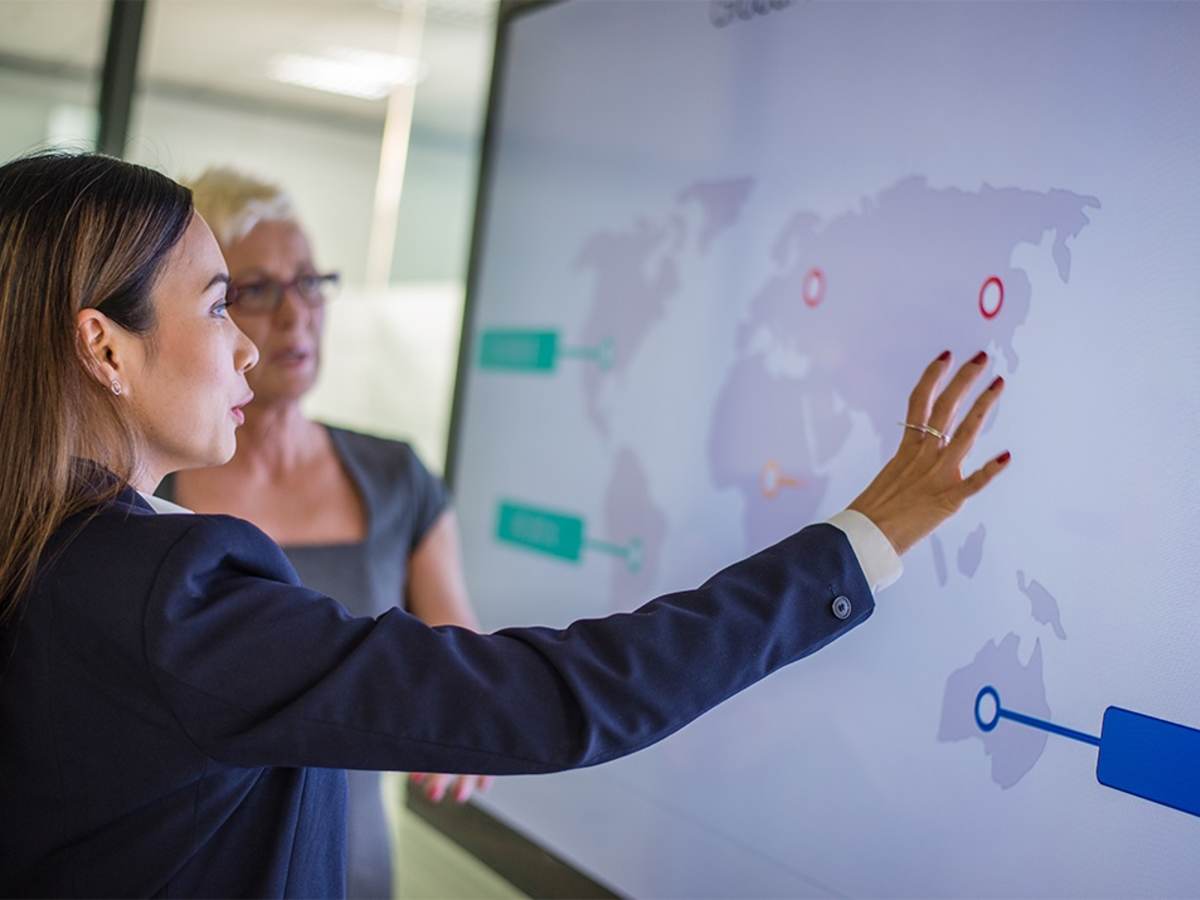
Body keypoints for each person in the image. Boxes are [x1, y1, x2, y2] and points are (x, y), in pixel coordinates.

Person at [0, 152, 1011, 898]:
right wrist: (859, 543)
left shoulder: (42, 555)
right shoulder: (163, 588)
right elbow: (543, 697)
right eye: (223, 307)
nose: (252, 351)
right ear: (105, 347)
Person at [150, 168, 485, 899]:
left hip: (353, 869)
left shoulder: (397, 479)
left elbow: (460, 659)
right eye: (258, 290)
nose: (296, 315)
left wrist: (467, 724)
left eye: (310, 283)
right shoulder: (150, 489)